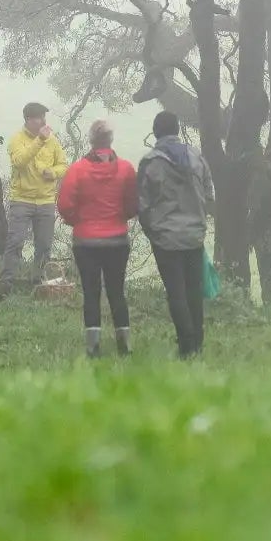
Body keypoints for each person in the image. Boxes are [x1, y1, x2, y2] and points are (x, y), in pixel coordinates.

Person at [56, 118, 137, 357]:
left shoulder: (78, 170)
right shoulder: (126, 168)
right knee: (116, 290)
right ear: (110, 141)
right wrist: (121, 216)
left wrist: (77, 220)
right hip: (117, 240)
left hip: (86, 241)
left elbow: (64, 205)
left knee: (91, 292)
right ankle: (125, 344)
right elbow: (133, 204)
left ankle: (93, 347)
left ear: (91, 141)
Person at [137, 111, 215, 358]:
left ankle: (186, 345)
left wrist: (153, 231)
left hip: (165, 239)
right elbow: (209, 195)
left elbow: (142, 204)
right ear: (177, 130)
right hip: (194, 236)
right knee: (194, 289)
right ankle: (198, 342)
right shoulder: (197, 157)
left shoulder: (150, 162)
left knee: (176, 292)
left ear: (156, 131)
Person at [0, 100, 68, 299]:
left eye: (44, 117)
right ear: (28, 119)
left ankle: (39, 283)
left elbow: (63, 165)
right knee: (15, 242)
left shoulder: (52, 140)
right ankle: (5, 285)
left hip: (45, 201)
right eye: (39, 118)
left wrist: (53, 172)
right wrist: (39, 141)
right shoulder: (17, 139)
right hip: (22, 200)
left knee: (44, 245)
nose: (43, 121)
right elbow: (19, 161)